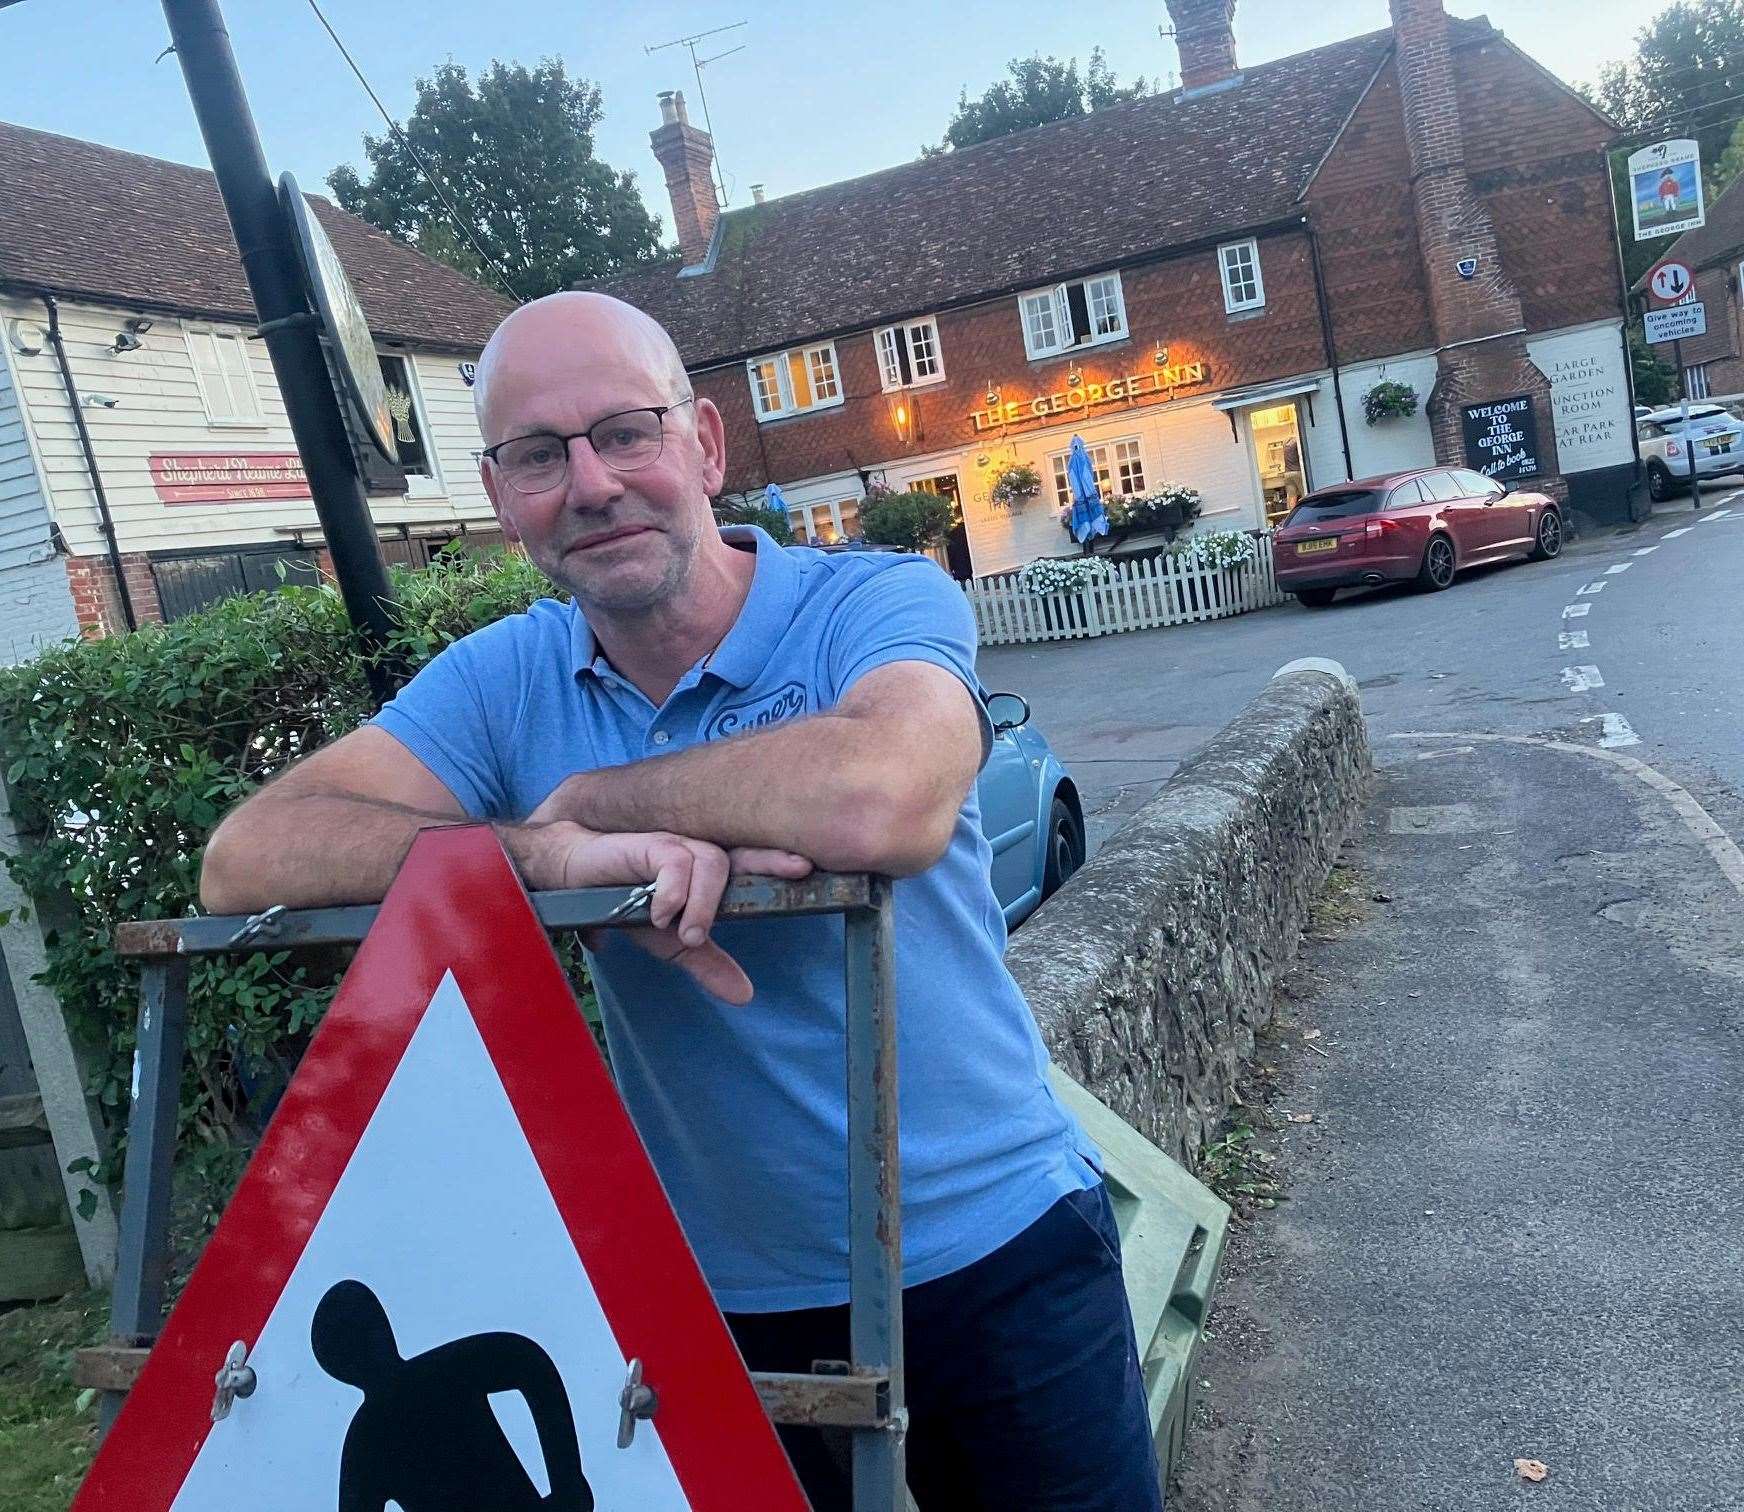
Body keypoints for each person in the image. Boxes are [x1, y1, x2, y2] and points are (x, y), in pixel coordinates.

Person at [200, 291, 1163, 1510]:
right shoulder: (505, 678)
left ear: (705, 444)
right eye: (540, 456)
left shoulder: (867, 602)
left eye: (624, 432)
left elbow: (883, 798)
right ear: (501, 498)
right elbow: (248, 855)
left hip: (999, 1247)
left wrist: (591, 802)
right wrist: (538, 860)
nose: (591, 483)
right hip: (717, 1301)